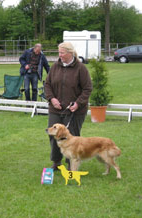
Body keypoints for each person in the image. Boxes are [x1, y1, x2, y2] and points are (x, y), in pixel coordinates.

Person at [44, 42, 92, 170]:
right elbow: (47, 84)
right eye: (58, 52)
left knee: (72, 137)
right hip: (56, 109)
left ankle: (72, 163)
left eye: (62, 53)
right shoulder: (55, 66)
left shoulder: (81, 68)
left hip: (74, 111)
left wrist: (78, 103)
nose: (60, 55)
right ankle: (56, 162)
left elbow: (87, 89)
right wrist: (52, 99)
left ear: (70, 53)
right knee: (53, 135)